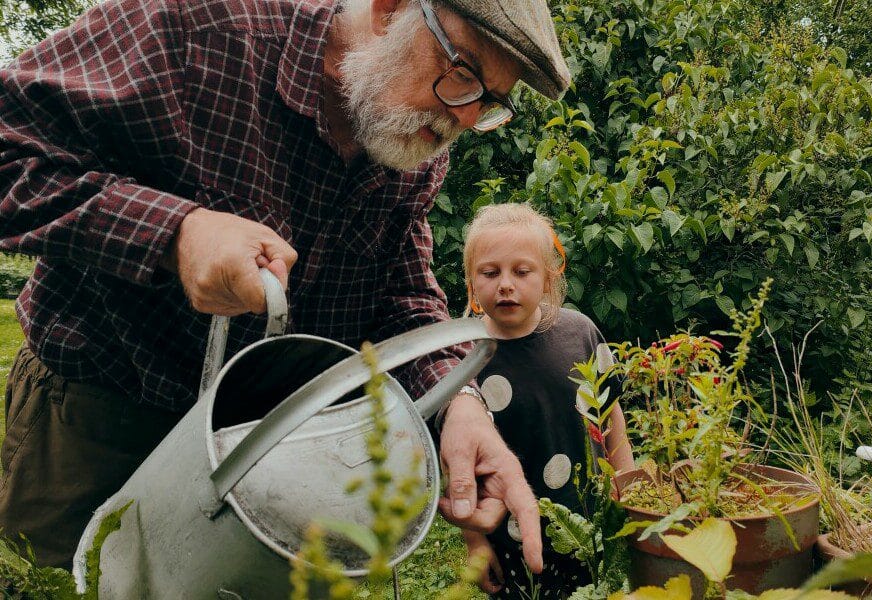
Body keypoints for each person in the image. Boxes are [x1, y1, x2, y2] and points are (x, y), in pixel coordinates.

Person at [0, 0, 572, 571]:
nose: (467, 117)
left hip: (270, 451)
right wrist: (176, 233)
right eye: (464, 71)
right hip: (97, 423)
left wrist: (459, 404)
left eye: (490, 100)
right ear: (389, 11)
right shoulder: (195, 28)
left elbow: (400, 293)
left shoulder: (413, 145)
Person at [458, 203, 635, 598]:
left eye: (522, 272)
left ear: (549, 278)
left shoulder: (580, 333)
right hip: (509, 538)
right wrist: (475, 541)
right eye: (490, 272)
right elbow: (462, 463)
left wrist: (626, 481)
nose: (506, 284)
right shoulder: (461, 354)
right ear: (471, 280)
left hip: (590, 523)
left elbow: (610, 414)